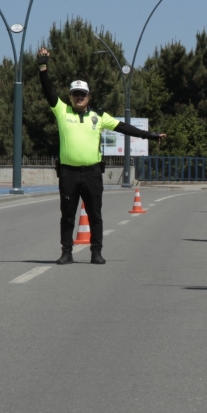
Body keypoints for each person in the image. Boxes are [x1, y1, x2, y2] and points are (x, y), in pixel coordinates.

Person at [37, 47, 166, 265]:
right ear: (70, 97)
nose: (79, 97)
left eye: (82, 94)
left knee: (95, 214)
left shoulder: (99, 116)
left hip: (92, 173)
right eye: (75, 94)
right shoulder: (62, 111)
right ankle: (66, 252)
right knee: (67, 215)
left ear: (88, 97)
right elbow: (48, 90)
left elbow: (124, 127)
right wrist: (43, 67)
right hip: (68, 173)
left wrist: (150, 136)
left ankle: (96, 252)